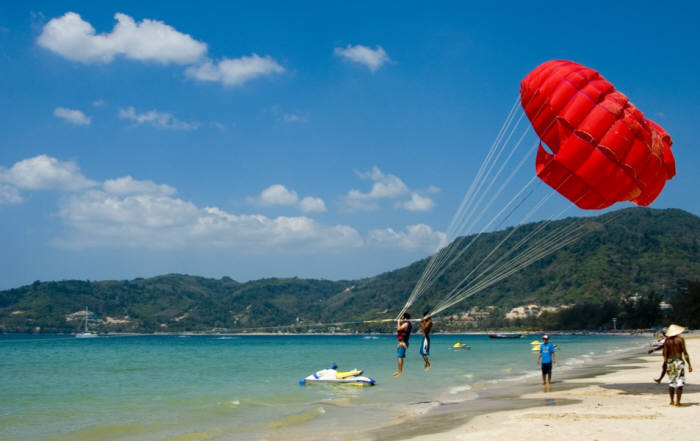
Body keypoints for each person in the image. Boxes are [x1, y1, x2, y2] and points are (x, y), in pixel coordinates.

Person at [662, 324, 693, 406]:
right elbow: (685, 353)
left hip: (670, 362)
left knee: (671, 382)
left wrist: (665, 365)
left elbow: (665, 354)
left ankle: (671, 401)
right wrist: (689, 364)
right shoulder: (681, 339)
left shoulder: (667, 341)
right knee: (680, 382)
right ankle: (678, 402)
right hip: (679, 361)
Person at [393, 313, 412, 377]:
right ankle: (399, 370)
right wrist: (400, 322)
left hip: (403, 342)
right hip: (401, 342)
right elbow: (401, 330)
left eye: (402, 318)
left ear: (405, 318)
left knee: (400, 357)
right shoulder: (406, 324)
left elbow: (399, 329)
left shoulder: (406, 324)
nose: (401, 319)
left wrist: (398, 322)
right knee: (399, 357)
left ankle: (400, 372)